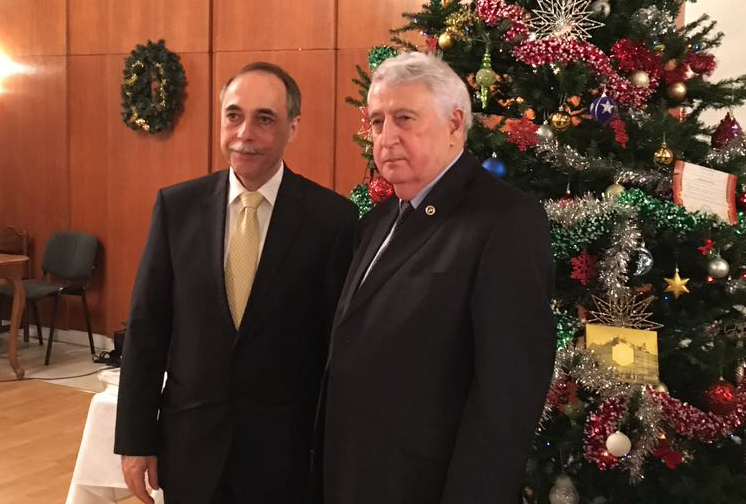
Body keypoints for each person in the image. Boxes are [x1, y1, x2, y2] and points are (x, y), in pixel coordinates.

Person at [114, 62, 358, 504]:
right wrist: (135, 440)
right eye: (233, 115)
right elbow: (147, 329)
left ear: (293, 127)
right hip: (189, 447)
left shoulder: (332, 220)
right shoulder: (176, 207)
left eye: (264, 118)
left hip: (282, 457)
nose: (245, 133)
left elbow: (334, 353)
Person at [322, 52, 556, 504]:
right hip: (353, 476)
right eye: (377, 122)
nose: (386, 137)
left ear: (454, 123)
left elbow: (507, 394)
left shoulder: (505, 220)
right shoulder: (375, 222)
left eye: (404, 118)